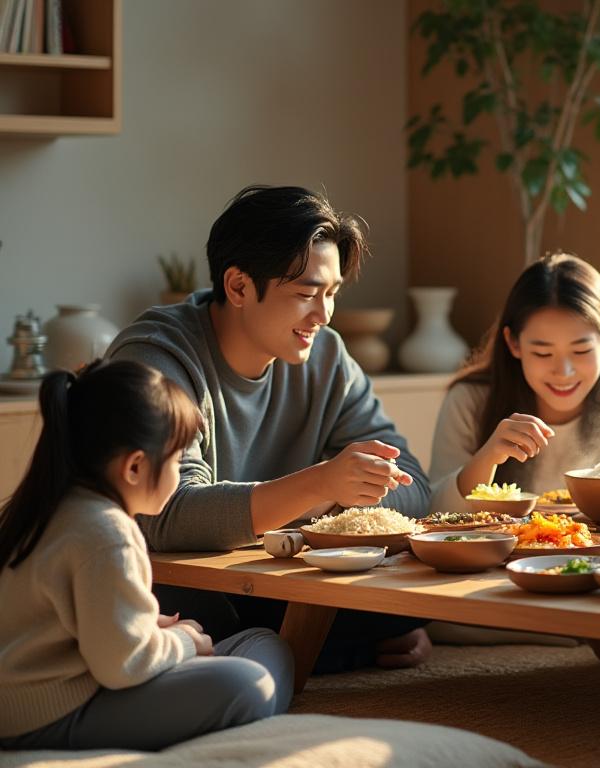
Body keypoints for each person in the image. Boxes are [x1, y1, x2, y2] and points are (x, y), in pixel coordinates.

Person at [109, 185, 431, 671]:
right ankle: (300, 649)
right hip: (175, 580)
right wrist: (320, 484)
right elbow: (167, 516)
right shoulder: (158, 358)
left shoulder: (326, 357)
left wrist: (331, 496)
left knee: (402, 599)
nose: (323, 316)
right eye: (306, 294)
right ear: (238, 287)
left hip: (269, 576)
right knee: (204, 612)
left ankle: (294, 647)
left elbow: (412, 481)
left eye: (332, 294)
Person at [0, 361, 293, 750]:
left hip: (36, 701)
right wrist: (185, 640)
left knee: (260, 641)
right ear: (136, 466)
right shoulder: (106, 531)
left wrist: (145, 626)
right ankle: (248, 715)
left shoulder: (51, 507)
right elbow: (123, 665)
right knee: (249, 683)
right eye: (175, 461)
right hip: (53, 715)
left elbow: (65, 622)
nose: (179, 473)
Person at [430, 252, 600, 510]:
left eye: (580, 351)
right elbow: (434, 511)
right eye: (542, 353)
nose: (563, 371)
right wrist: (488, 457)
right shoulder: (470, 399)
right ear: (513, 343)